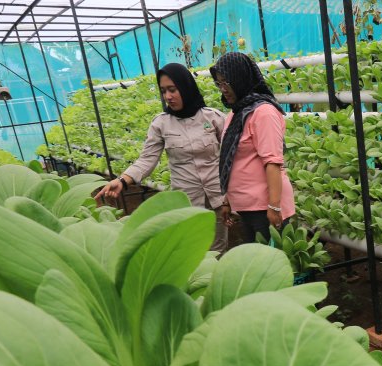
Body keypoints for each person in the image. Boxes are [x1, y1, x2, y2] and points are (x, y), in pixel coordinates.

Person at [98, 63, 227, 251]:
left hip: (217, 197)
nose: (168, 96)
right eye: (163, 91)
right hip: (186, 201)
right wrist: (123, 180)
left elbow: (231, 156)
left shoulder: (213, 118)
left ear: (186, 87)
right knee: (191, 249)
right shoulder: (161, 124)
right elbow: (147, 159)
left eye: (173, 90)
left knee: (218, 248)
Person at [209, 52, 295, 244]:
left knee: (268, 265)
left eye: (226, 82)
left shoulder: (264, 113)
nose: (222, 89)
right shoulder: (236, 113)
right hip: (247, 206)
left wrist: (274, 207)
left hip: (264, 207)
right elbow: (233, 161)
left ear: (240, 78)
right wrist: (227, 200)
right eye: (219, 83)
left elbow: (272, 161)